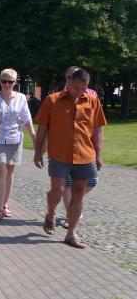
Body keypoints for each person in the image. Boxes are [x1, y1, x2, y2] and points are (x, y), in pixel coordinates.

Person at [35, 68, 106, 248]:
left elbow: (97, 129)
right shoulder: (52, 100)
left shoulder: (92, 100)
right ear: (69, 83)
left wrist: (98, 155)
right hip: (59, 154)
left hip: (85, 154)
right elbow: (42, 128)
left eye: (83, 88)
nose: (79, 92)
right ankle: (51, 213)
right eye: (76, 88)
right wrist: (37, 152)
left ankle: (71, 232)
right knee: (58, 190)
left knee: (79, 193)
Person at [0, 69, 36, 220]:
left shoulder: (21, 98)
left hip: (15, 138)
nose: (7, 84)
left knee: (10, 172)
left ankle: (6, 204)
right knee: (1, 169)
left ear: (15, 82)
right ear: (0, 82)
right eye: (4, 81)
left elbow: (26, 118)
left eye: (11, 82)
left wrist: (33, 136)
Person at [59, 66, 99, 227]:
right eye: (69, 77)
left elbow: (97, 124)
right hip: (65, 151)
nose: (71, 80)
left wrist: (98, 150)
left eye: (73, 76)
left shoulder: (92, 95)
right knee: (68, 184)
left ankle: (75, 204)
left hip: (86, 148)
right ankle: (70, 216)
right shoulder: (60, 96)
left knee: (93, 181)